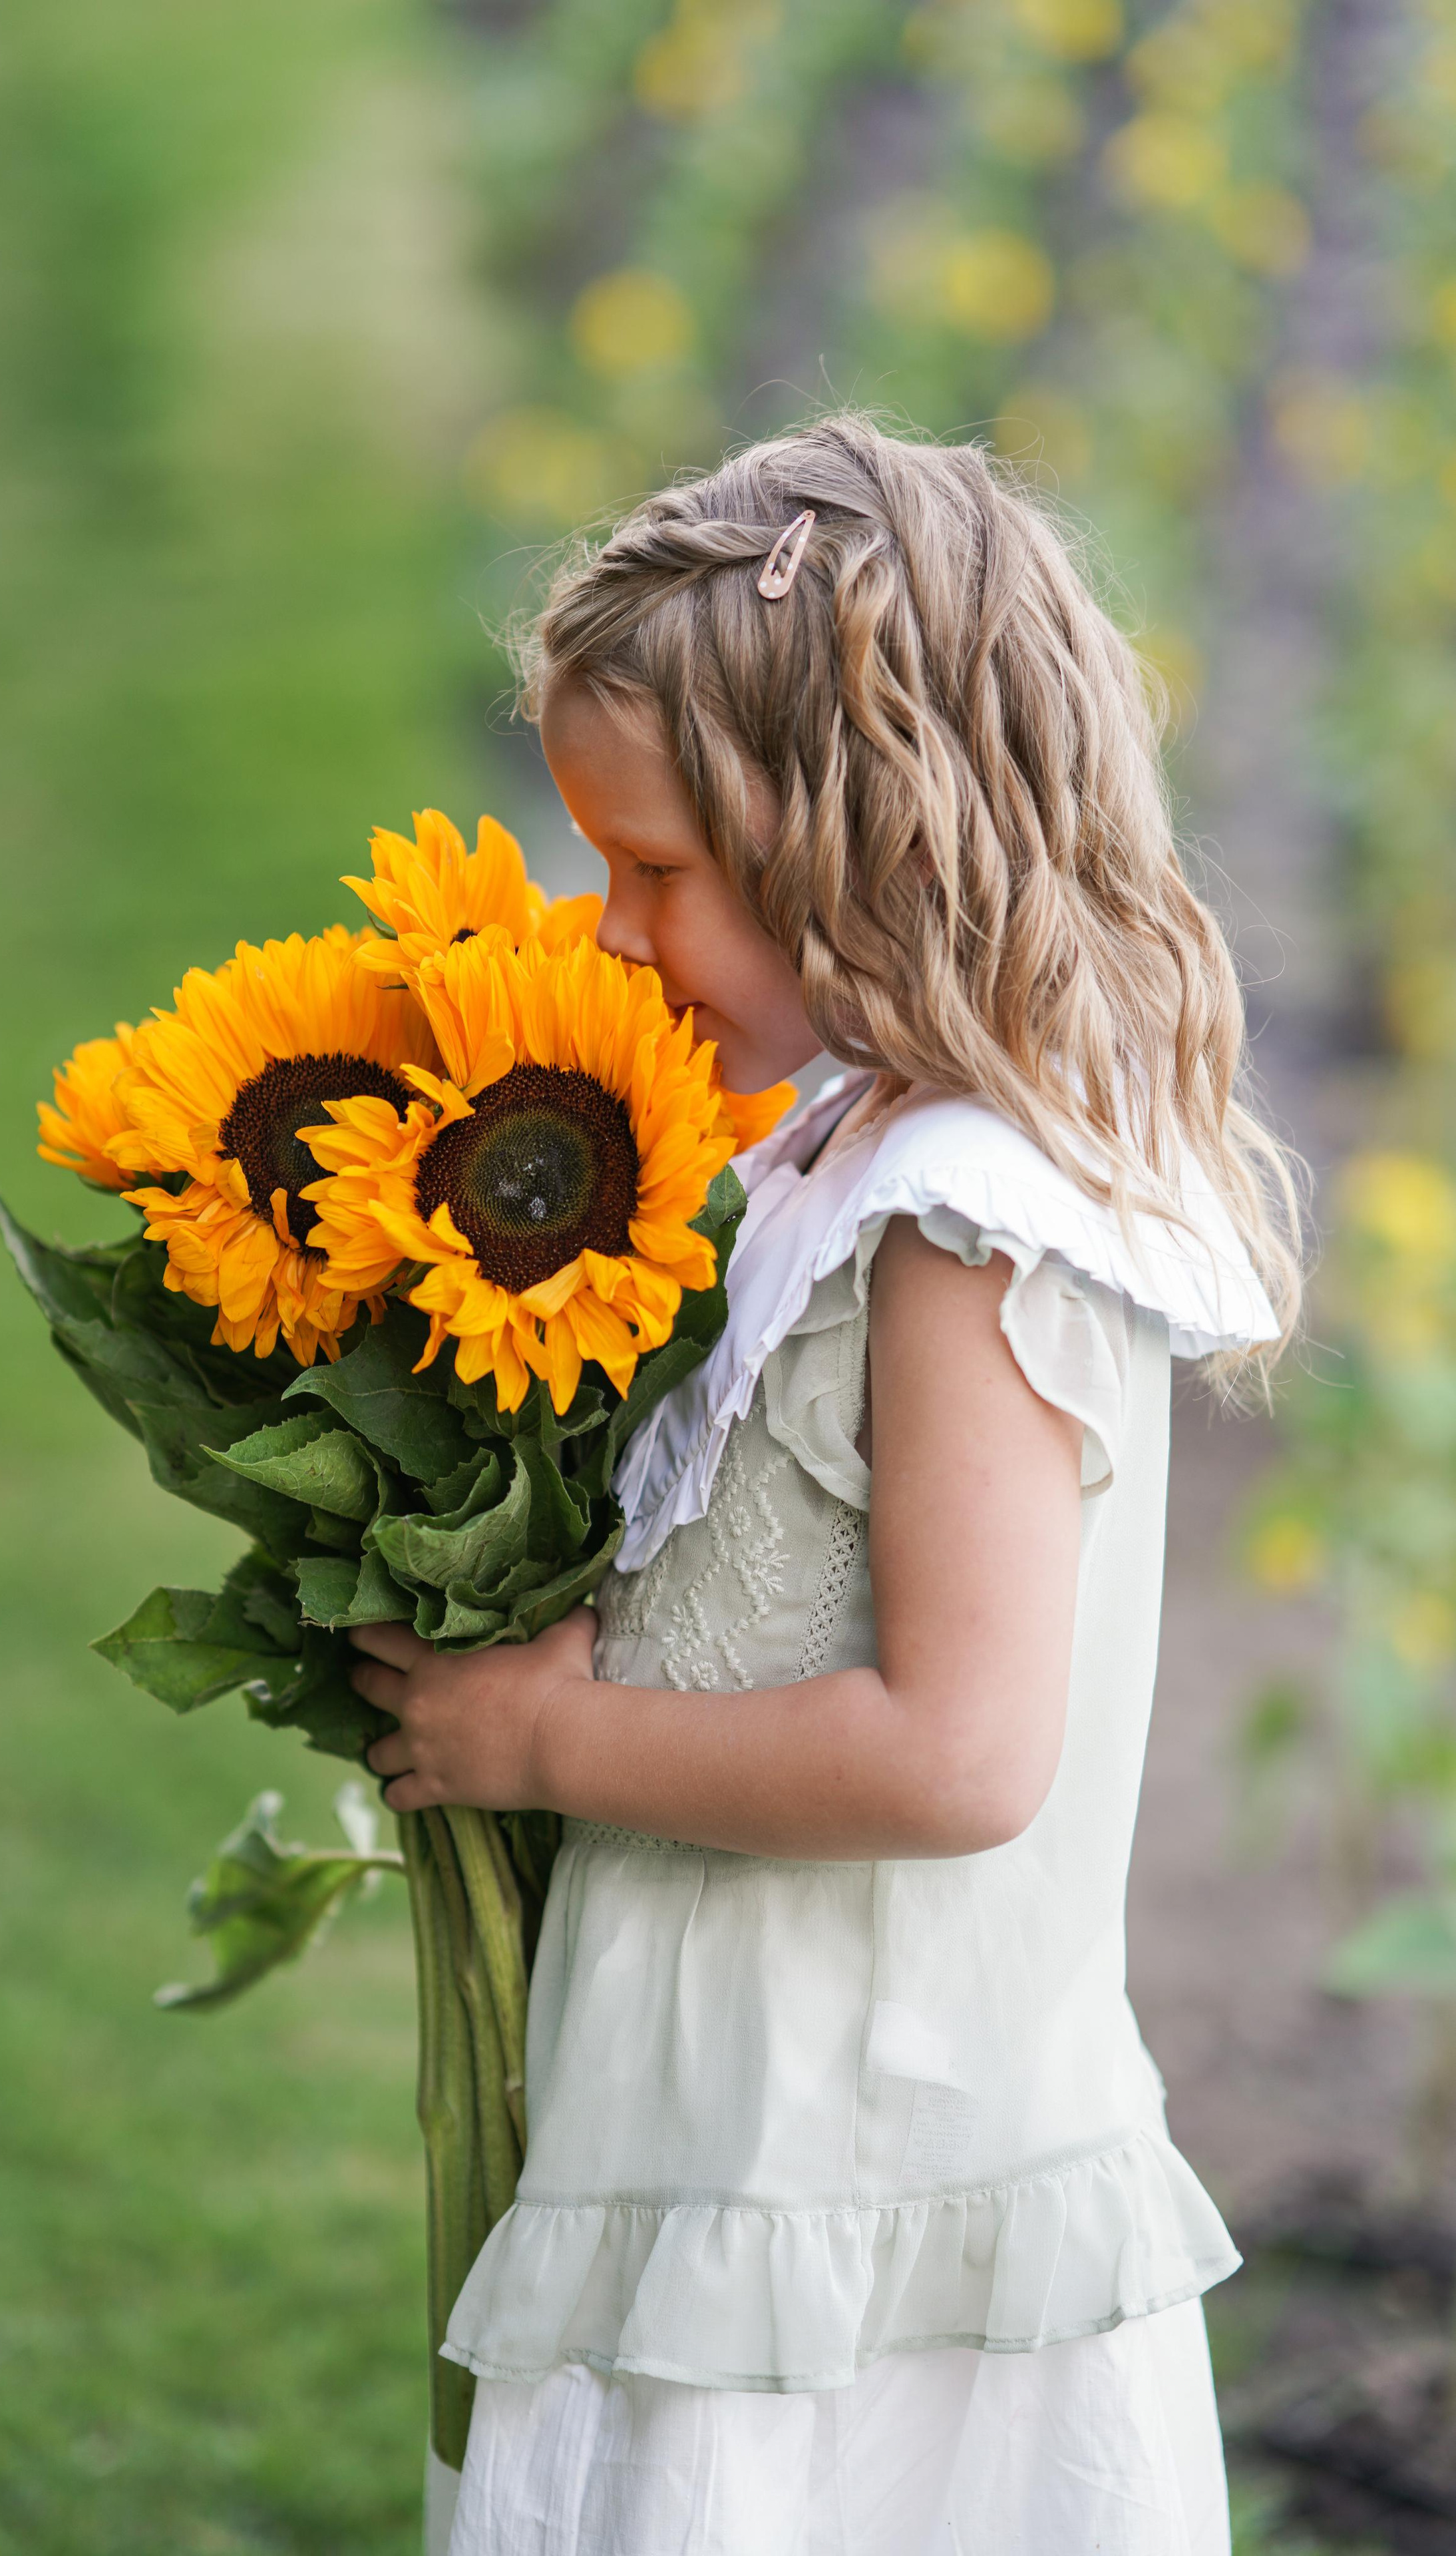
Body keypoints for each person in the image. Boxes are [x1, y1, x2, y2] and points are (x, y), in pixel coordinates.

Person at [347, 415, 1302, 2556]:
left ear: (871, 831)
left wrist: (538, 1735)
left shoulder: (961, 1222)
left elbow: (961, 1753)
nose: (611, 932)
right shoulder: (814, 1151)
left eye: (659, 872)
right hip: (728, 2134)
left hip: (852, 2179)